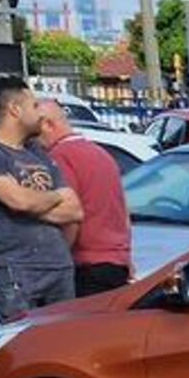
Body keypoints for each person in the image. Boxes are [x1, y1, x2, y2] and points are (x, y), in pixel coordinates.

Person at [0, 79, 80, 321]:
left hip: (59, 267)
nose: (40, 115)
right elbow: (18, 201)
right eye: (34, 106)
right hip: (18, 271)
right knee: (21, 345)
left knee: (64, 345)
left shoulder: (37, 152)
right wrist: (54, 197)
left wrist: (33, 203)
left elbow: (74, 210)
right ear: (15, 109)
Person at [35, 104, 131, 298]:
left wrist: (59, 258)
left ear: (47, 125)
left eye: (33, 130)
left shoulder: (60, 157)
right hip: (117, 261)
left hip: (87, 264)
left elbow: (70, 214)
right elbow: (124, 211)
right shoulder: (100, 153)